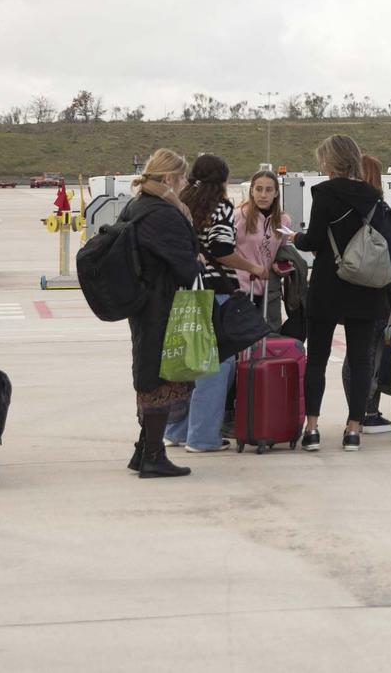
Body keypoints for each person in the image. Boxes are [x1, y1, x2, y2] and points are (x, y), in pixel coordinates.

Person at [294, 134, 391, 452]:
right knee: (360, 360)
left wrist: (296, 238)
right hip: (365, 288)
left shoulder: (324, 193)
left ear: (329, 161)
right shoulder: (374, 196)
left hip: (329, 284)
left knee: (317, 358)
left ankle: (312, 428)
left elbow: (314, 240)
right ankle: (354, 429)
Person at [164, 155, 269, 454]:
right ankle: (202, 437)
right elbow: (222, 249)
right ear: (222, 178)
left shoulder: (182, 201)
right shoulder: (220, 206)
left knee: (190, 360)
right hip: (214, 291)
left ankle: (176, 430)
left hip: (186, 290)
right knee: (217, 362)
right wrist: (253, 267)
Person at [121, 149, 203, 478]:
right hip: (162, 305)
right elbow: (184, 266)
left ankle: (143, 449)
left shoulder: (135, 205)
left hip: (142, 304)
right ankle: (153, 455)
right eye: (182, 178)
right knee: (161, 375)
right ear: (168, 179)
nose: (184, 185)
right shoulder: (163, 213)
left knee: (149, 370)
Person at [351, 153, 391, 432]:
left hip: (350, 291)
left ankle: (355, 412)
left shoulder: (346, 210)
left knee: (354, 355)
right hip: (377, 294)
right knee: (373, 355)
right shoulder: (381, 212)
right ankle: (368, 410)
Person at [232, 169, 294, 331]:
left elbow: (282, 252)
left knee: (264, 336)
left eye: (268, 190)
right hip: (241, 286)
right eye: (258, 189)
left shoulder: (283, 220)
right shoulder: (239, 216)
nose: (263, 195)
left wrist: (282, 266)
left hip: (268, 289)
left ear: (276, 193)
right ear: (251, 191)